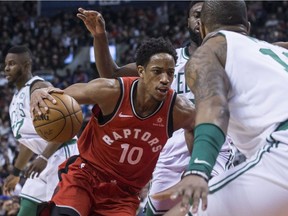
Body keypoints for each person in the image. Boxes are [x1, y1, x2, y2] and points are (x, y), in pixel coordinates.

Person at [76, 3, 235, 216]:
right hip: (168, 149)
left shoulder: (232, 56)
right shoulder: (168, 60)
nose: (200, 20)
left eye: (205, 15)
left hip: (209, 143)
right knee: (154, 210)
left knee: (206, 206)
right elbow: (112, 75)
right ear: (188, 20)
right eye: (196, 15)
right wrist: (100, 37)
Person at [31, 37, 196, 216]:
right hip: (86, 176)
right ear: (141, 71)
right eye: (157, 71)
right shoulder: (111, 91)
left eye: (170, 73)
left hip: (123, 195)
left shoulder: (178, 109)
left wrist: (195, 170)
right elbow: (59, 96)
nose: (165, 79)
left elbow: (199, 128)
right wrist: (37, 92)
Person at [152, 1, 288, 216]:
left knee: (186, 212)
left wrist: (198, 169)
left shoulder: (208, 52)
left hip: (283, 147)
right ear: (248, 28)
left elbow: (215, 106)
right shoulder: (273, 52)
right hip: (274, 149)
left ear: (203, 28)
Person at [3, 46, 79, 216]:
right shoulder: (15, 98)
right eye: (6, 64)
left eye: (12, 63)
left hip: (63, 153)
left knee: (59, 210)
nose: (6, 68)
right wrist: (16, 173)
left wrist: (44, 156)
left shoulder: (38, 86)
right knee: (27, 208)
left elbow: (62, 125)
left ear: (26, 65)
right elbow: (28, 143)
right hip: (44, 158)